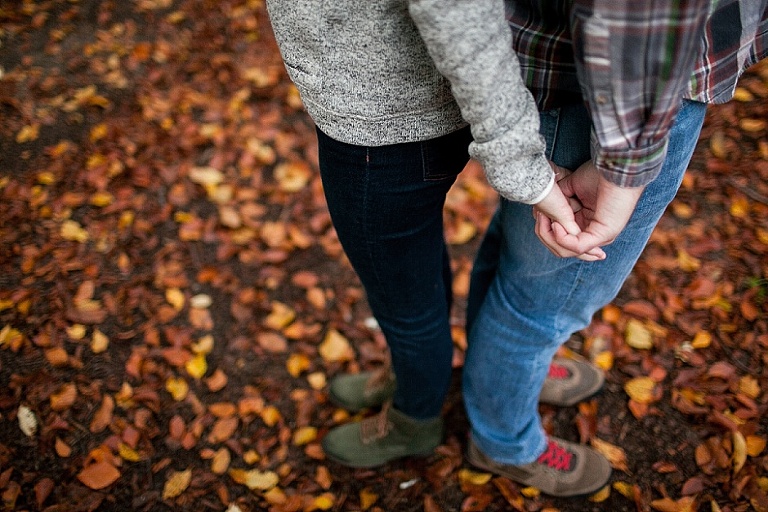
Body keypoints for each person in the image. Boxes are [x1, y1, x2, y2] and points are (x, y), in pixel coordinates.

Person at [265, 0, 768, 498]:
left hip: (610, 89)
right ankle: (459, 408)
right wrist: (612, 166)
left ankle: (491, 399)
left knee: (533, 295)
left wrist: (615, 167)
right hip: (588, 86)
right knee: (525, 296)